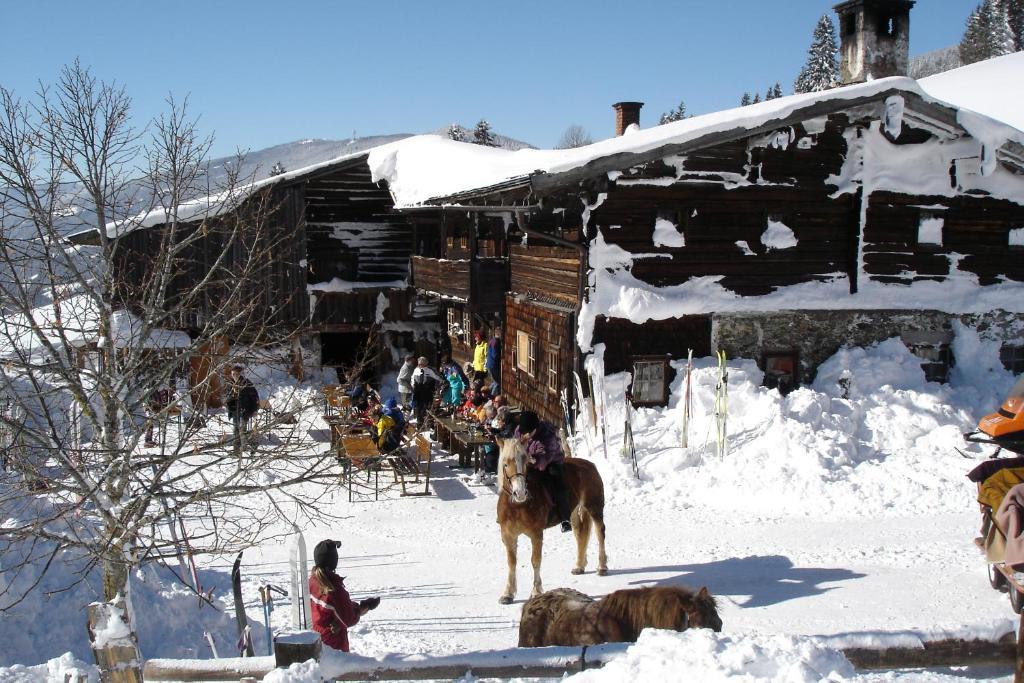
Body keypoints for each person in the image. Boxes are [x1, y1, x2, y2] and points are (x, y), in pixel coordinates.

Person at [309, 539, 380, 653]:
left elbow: (332, 609)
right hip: (333, 648)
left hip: (317, 640)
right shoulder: (333, 589)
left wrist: (340, 616)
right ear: (333, 561)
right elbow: (348, 618)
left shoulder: (313, 580)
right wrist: (364, 607)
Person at [514, 411, 572, 533]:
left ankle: (565, 518)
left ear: (536, 428)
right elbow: (515, 443)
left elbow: (543, 460)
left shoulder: (547, 436)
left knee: (558, 484)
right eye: (524, 432)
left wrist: (532, 460)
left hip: (551, 462)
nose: (527, 435)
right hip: (528, 461)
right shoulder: (521, 430)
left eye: (529, 432)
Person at [226, 365, 259, 448]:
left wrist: (255, 410)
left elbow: (254, 397)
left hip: (245, 409)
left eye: (236, 374)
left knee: (242, 430)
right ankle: (236, 450)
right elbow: (226, 397)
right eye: (233, 374)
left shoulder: (247, 383)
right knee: (235, 430)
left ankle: (243, 449)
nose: (234, 376)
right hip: (234, 410)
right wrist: (231, 395)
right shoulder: (230, 383)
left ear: (240, 374)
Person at [410, 357, 442, 427]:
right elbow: (412, 378)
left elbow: (438, 378)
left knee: (427, 408)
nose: (420, 365)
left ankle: (429, 424)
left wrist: (437, 388)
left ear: (425, 364)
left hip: (427, 392)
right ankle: (419, 423)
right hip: (418, 392)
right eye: (419, 364)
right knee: (418, 408)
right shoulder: (416, 370)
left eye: (422, 364)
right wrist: (413, 385)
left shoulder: (430, 370)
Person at [144, 382, 173, 448]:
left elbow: (160, 402)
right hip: (151, 410)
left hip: (155, 410)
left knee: (151, 425)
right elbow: (152, 402)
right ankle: (147, 441)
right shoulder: (151, 392)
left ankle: (149, 440)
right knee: (150, 425)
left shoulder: (156, 392)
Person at [486, 329, 502, 395]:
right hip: (494, 365)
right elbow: (495, 355)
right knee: (497, 382)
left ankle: (487, 393)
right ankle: (492, 396)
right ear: (499, 334)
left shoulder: (492, 340)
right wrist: (501, 357)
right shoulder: (496, 342)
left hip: (490, 364)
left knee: (494, 381)